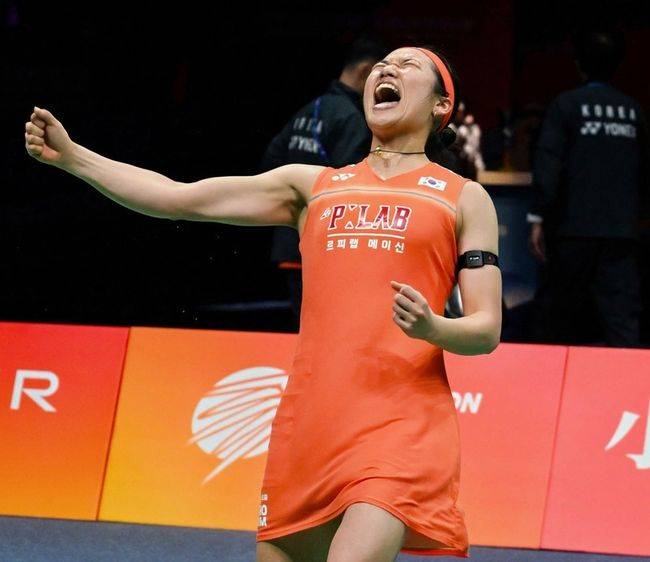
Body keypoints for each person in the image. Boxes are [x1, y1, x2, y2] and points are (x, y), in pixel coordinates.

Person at [25, 45, 501, 561]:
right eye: (383, 63)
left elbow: (486, 329)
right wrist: (75, 158)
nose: (387, 68)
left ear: (440, 105)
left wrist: (433, 328)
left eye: (408, 65)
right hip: (311, 428)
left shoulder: (462, 197)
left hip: (402, 426)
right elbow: (177, 198)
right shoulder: (311, 186)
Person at [528, 31, 649, 347]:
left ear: (578, 64)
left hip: (571, 233)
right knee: (621, 321)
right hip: (621, 234)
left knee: (558, 317)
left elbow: (548, 162)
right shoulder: (633, 111)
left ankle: (551, 377)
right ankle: (626, 380)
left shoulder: (565, 105)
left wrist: (538, 217)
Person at [261, 39, 385, 329]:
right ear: (366, 71)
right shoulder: (352, 118)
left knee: (303, 328)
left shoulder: (308, 110)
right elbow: (349, 184)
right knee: (326, 331)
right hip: (325, 247)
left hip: (290, 241)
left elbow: (270, 162)